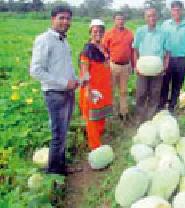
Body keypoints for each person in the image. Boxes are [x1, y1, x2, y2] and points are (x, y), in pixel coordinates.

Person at [30, 5, 78, 175]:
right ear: (53, 19)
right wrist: (64, 83)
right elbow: (36, 70)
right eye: (61, 18)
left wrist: (75, 80)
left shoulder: (63, 40)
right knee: (58, 134)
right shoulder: (44, 40)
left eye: (68, 18)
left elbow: (66, 66)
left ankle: (61, 167)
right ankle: (53, 172)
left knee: (63, 132)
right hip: (55, 94)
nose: (65, 22)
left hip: (67, 93)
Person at [79, 19, 113, 150]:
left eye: (100, 31)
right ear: (90, 32)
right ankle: (95, 147)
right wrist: (88, 90)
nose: (98, 33)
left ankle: (98, 140)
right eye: (95, 31)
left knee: (100, 116)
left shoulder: (103, 48)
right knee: (92, 119)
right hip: (93, 90)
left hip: (104, 89)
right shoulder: (87, 51)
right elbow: (84, 73)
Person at [133, 8, 169, 123]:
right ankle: (140, 117)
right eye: (149, 16)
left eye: (153, 15)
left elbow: (167, 52)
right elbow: (135, 49)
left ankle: (150, 117)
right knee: (141, 92)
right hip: (143, 68)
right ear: (145, 18)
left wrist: (165, 67)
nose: (151, 18)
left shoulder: (163, 33)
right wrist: (136, 65)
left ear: (157, 17)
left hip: (157, 69)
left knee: (155, 93)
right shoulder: (140, 31)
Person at [159, 0, 185, 113]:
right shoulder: (165, 25)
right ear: (171, 11)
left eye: (178, 10)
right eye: (174, 9)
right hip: (167, 60)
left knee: (177, 85)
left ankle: (172, 107)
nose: (176, 12)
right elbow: (160, 43)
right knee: (164, 84)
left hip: (181, 60)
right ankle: (161, 106)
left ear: (182, 11)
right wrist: (160, 59)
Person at [102, 12, 134, 122]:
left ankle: (123, 113)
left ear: (124, 20)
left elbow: (133, 50)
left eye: (122, 19)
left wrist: (133, 65)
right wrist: (107, 58)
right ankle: (111, 113)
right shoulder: (109, 33)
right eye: (118, 19)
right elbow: (103, 48)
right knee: (111, 90)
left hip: (126, 66)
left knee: (124, 91)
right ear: (114, 20)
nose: (120, 21)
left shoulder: (129, 34)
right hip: (113, 66)